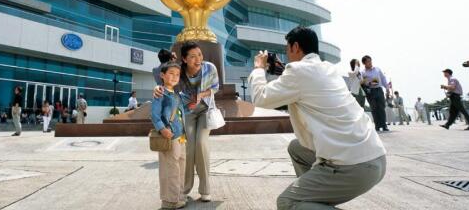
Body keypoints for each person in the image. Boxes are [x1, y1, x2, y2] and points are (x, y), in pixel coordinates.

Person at [249, 27, 386, 209]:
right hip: (376, 157)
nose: (287, 55)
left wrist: (259, 68)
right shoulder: (327, 68)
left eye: (287, 50)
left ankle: (307, 202)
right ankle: (313, 200)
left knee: (288, 202)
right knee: (296, 148)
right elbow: (307, 83)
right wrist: (283, 71)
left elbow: (260, 97)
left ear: (295, 47)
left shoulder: (297, 71)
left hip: (354, 167)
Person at [154, 41, 219, 202]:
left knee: (201, 144)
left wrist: (200, 96)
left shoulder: (209, 68)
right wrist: (157, 88)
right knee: (188, 147)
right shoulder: (179, 71)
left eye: (200, 55)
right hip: (186, 112)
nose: (198, 59)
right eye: (192, 56)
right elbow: (162, 76)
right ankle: (185, 188)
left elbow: (216, 87)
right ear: (184, 59)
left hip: (205, 110)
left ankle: (205, 189)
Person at [151, 61, 187, 210]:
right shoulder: (160, 92)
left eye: (177, 74)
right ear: (162, 75)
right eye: (171, 73)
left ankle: (179, 196)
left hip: (182, 136)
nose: (174, 77)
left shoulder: (178, 94)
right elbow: (154, 115)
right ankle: (169, 201)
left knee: (180, 168)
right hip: (169, 136)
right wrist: (162, 129)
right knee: (170, 170)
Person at [361, 56, 390, 132]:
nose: (370, 63)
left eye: (370, 61)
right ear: (364, 63)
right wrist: (370, 83)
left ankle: (384, 125)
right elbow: (363, 83)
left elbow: (383, 78)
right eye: (368, 61)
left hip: (379, 90)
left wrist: (387, 88)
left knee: (381, 108)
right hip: (370, 92)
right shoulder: (363, 73)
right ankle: (377, 126)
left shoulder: (377, 69)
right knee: (374, 109)